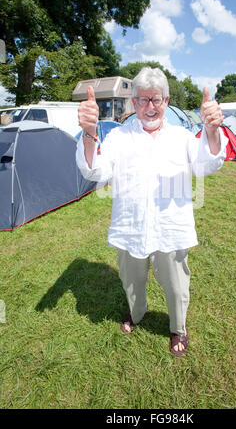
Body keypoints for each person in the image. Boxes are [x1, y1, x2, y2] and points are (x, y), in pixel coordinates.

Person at [76, 67, 227, 357]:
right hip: (130, 226)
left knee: (176, 285)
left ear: (167, 101)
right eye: (143, 100)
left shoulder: (182, 137)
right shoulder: (119, 137)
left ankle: (178, 327)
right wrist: (89, 133)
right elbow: (96, 170)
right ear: (133, 103)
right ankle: (138, 312)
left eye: (156, 100)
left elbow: (206, 165)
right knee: (131, 281)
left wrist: (212, 132)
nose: (150, 107)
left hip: (171, 227)